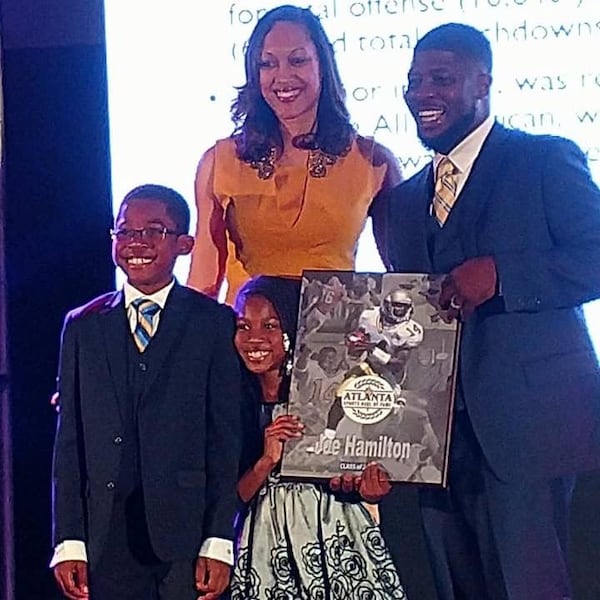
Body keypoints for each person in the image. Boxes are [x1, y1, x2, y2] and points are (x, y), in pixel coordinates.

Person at [385, 22, 600, 600]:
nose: (422, 93)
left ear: (484, 82)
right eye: (413, 81)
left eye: (441, 79)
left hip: (534, 434)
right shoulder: (401, 205)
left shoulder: (544, 159)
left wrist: (503, 273)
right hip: (436, 449)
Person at [50, 184, 242, 600]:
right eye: (125, 232)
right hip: (106, 537)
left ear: (184, 244)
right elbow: (69, 445)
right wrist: (69, 540)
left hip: (185, 537)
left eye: (154, 231)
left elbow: (225, 440)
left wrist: (218, 538)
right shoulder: (83, 326)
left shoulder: (213, 323)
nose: (137, 242)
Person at [187, 5, 401, 304]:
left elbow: (404, 276)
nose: (282, 76)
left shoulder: (374, 162)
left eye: (297, 60)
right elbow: (203, 283)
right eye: (267, 63)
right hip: (248, 342)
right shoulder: (220, 161)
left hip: (329, 341)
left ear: (322, 65)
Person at [230, 275, 407, 599]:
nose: (255, 338)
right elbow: (227, 500)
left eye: (270, 326)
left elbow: (352, 471)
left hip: (334, 539)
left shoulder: (326, 398)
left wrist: (368, 487)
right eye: (244, 326)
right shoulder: (230, 405)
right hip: (263, 549)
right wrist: (266, 461)